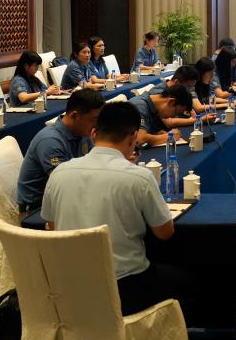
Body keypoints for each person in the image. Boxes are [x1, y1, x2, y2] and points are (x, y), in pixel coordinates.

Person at [41, 102, 185, 316]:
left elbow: (53, 229)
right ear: (133, 136)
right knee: (184, 280)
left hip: (68, 286)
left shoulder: (59, 173)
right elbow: (165, 233)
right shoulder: (139, 177)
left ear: (93, 134)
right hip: (124, 288)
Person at [17, 89, 104, 212]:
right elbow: (64, 184)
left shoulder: (82, 131)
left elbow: (96, 162)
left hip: (65, 197)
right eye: (93, 119)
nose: (96, 125)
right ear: (75, 116)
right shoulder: (50, 141)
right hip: (36, 208)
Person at [128, 85, 194, 147]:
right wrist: (169, 136)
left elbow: (153, 133)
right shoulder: (139, 106)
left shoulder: (156, 108)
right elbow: (139, 140)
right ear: (171, 102)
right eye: (176, 113)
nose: (173, 117)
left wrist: (156, 134)